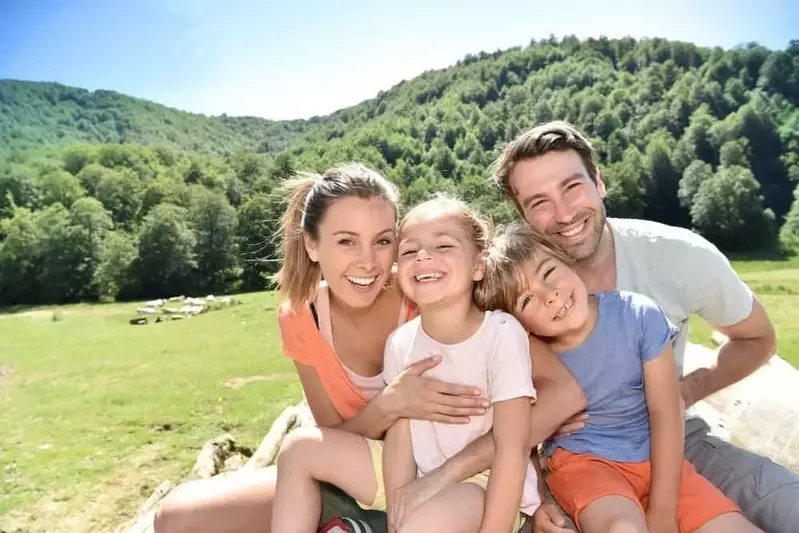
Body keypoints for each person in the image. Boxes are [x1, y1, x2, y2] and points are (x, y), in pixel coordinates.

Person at [154, 163, 585, 533]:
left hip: (464, 472)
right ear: (312, 245)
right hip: (374, 466)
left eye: (382, 241)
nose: (367, 262)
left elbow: (559, 395)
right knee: (174, 517)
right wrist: (391, 404)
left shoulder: (431, 294)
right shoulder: (302, 315)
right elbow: (333, 433)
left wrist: (520, 487)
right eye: (345, 241)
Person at [488, 120, 799, 533]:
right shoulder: (516, 301)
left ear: (599, 182)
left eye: (572, 186)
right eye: (539, 202)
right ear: (523, 217)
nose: (563, 214)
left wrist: (689, 389)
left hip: (678, 439)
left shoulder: (678, 256)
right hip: (577, 460)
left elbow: (758, 338)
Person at [271, 197, 542, 533]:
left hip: (483, 483)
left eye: (443, 245)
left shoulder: (501, 334)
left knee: (424, 525)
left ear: (478, 265)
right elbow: (400, 435)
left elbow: (512, 450)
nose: (424, 257)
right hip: (417, 476)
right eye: (410, 251)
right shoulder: (400, 341)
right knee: (298, 449)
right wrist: (399, 504)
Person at [473, 221, 763, 533]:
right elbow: (522, 437)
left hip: (658, 460)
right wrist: (539, 500)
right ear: (520, 324)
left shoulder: (639, 315)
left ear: (565, 260)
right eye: (527, 300)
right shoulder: (528, 352)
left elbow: (665, 412)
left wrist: (663, 511)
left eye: (548, 273)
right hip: (585, 465)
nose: (550, 296)